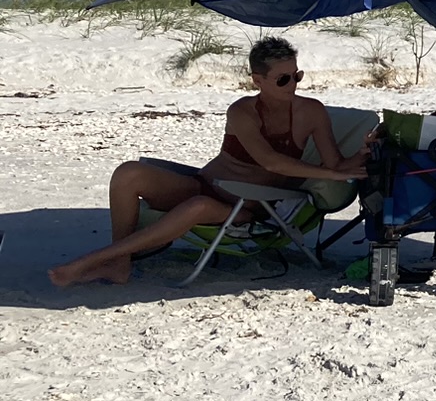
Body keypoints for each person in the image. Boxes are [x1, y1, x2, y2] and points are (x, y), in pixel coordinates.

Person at [49, 36, 369, 288]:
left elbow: (333, 164)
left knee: (198, 207)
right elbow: (269, 159)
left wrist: (362, 156)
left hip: (251, 205)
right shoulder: (242, 111)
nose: (294, 84)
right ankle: (120, 262)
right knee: (128, 173)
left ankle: (91, 261)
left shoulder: (311, 112)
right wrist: (328, 171)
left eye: (296, 75)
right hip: (205, 183)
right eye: (283, 80)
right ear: (258, 80)